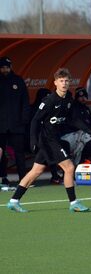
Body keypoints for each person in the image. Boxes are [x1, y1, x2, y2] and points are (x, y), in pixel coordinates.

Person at [7, 68, 89, 213]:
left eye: (66, 81)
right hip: (47, 140)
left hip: (53, 139)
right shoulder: (50, 100)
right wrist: (33, 140)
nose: (64, 83)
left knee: (36, 170)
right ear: (55, 83)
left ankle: (14, 200)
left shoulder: (68, 99)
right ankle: (74, 202)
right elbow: (35, 120)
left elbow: (72, 118)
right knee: (69, 167)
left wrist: (86, 128)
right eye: (61, 81)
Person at [0, 56, 31, 185]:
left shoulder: (18, 81)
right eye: (2, 68)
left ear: (11, 67)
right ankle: (3, 177)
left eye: (7, 67)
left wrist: (24, 120)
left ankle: (23, 179)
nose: (5, 70)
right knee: (1, 153)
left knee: (19, 153)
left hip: (17, 125)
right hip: (1, 125)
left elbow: (25, 101)